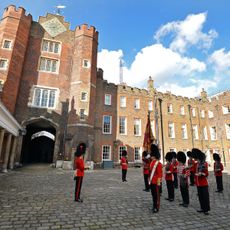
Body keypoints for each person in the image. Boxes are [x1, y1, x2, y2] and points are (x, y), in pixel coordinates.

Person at [193, 148, 210, 215]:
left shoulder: (204, 164)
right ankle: (202, 208)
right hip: (198, 183)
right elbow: (194, 172)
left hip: (203, 182)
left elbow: (206, 173)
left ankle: (206, 209)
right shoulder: (196, 164)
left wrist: (202, 174)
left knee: (205, 196)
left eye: (197, 158)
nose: (196, 160)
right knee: (200, 196)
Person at [149, 144, 163, 213]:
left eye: (151, 155)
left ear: (153, 155)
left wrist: (158, 183)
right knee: (153, 194)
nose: (151, 156)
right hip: (152, 181)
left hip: (156, 182)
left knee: (156, 195)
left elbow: (160, 175)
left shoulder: (158, 163)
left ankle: (156, 207)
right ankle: (154, 205)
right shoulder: (151, 162)